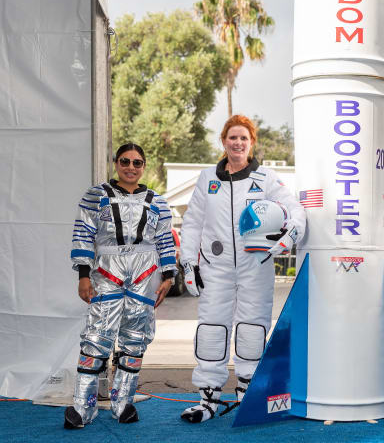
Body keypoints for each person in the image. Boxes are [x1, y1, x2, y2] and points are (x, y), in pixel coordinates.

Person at [179, 115, 306, 423]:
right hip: (215, 266)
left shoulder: (266, 178)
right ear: (224, 141)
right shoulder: (207, 177)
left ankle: (246, 394)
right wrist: (188, 263)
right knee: (211, 328)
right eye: (232, 138)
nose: (237, 143)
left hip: (255, 265)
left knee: (252, 328)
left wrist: (288, 236)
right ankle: (208, 398)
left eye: (243, 139)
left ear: (251, 144)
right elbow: (193, 222)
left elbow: (296, 210)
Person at [64, 143, 176, 428]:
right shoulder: (96, 195)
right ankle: (82, 407)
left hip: (145, 273)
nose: (130, 167)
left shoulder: (158, 202)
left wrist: (168, 276)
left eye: (137, 163)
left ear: (143, 167)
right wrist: (83, 275)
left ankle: (123, 402)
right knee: (96, 337)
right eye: (125, 161)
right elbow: (83, 233)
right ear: (116, 163)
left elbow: (165, 240)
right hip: (106, 271)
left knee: (135, 338)